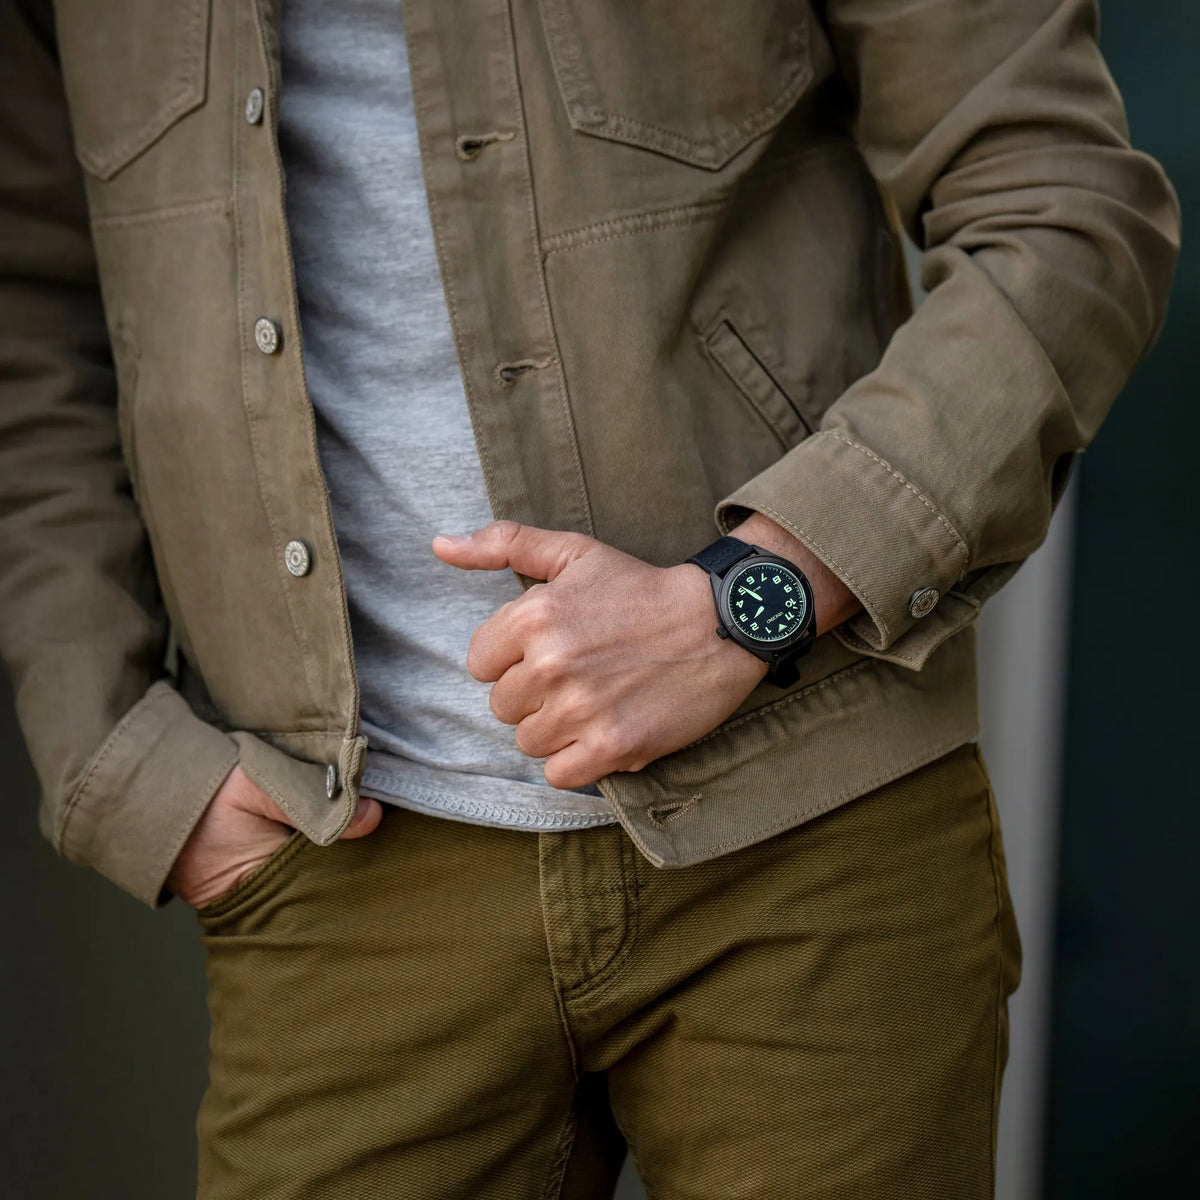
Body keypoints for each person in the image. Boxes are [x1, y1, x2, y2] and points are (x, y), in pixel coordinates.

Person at [0, 0, 1178, 1196]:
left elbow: (1063, 209)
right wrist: (117, 757)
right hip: (334, 876)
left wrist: (758, 592)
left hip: (814, 819)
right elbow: (28, 314)